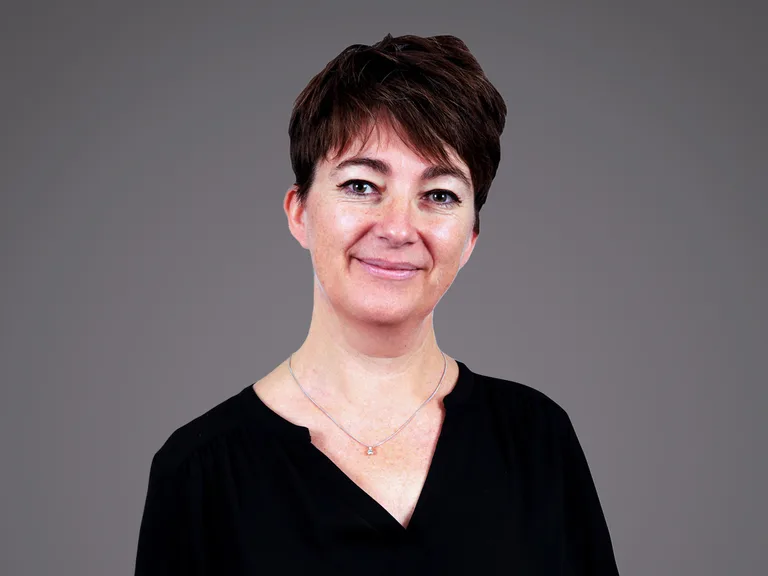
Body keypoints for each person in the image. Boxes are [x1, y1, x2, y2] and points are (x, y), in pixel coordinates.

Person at [134, 33, 620, 575]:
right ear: (300, 212)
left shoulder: (537, 440)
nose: (397, 228)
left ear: (472, 237)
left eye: (439, 195)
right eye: (362, 185)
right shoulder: (199, 472)